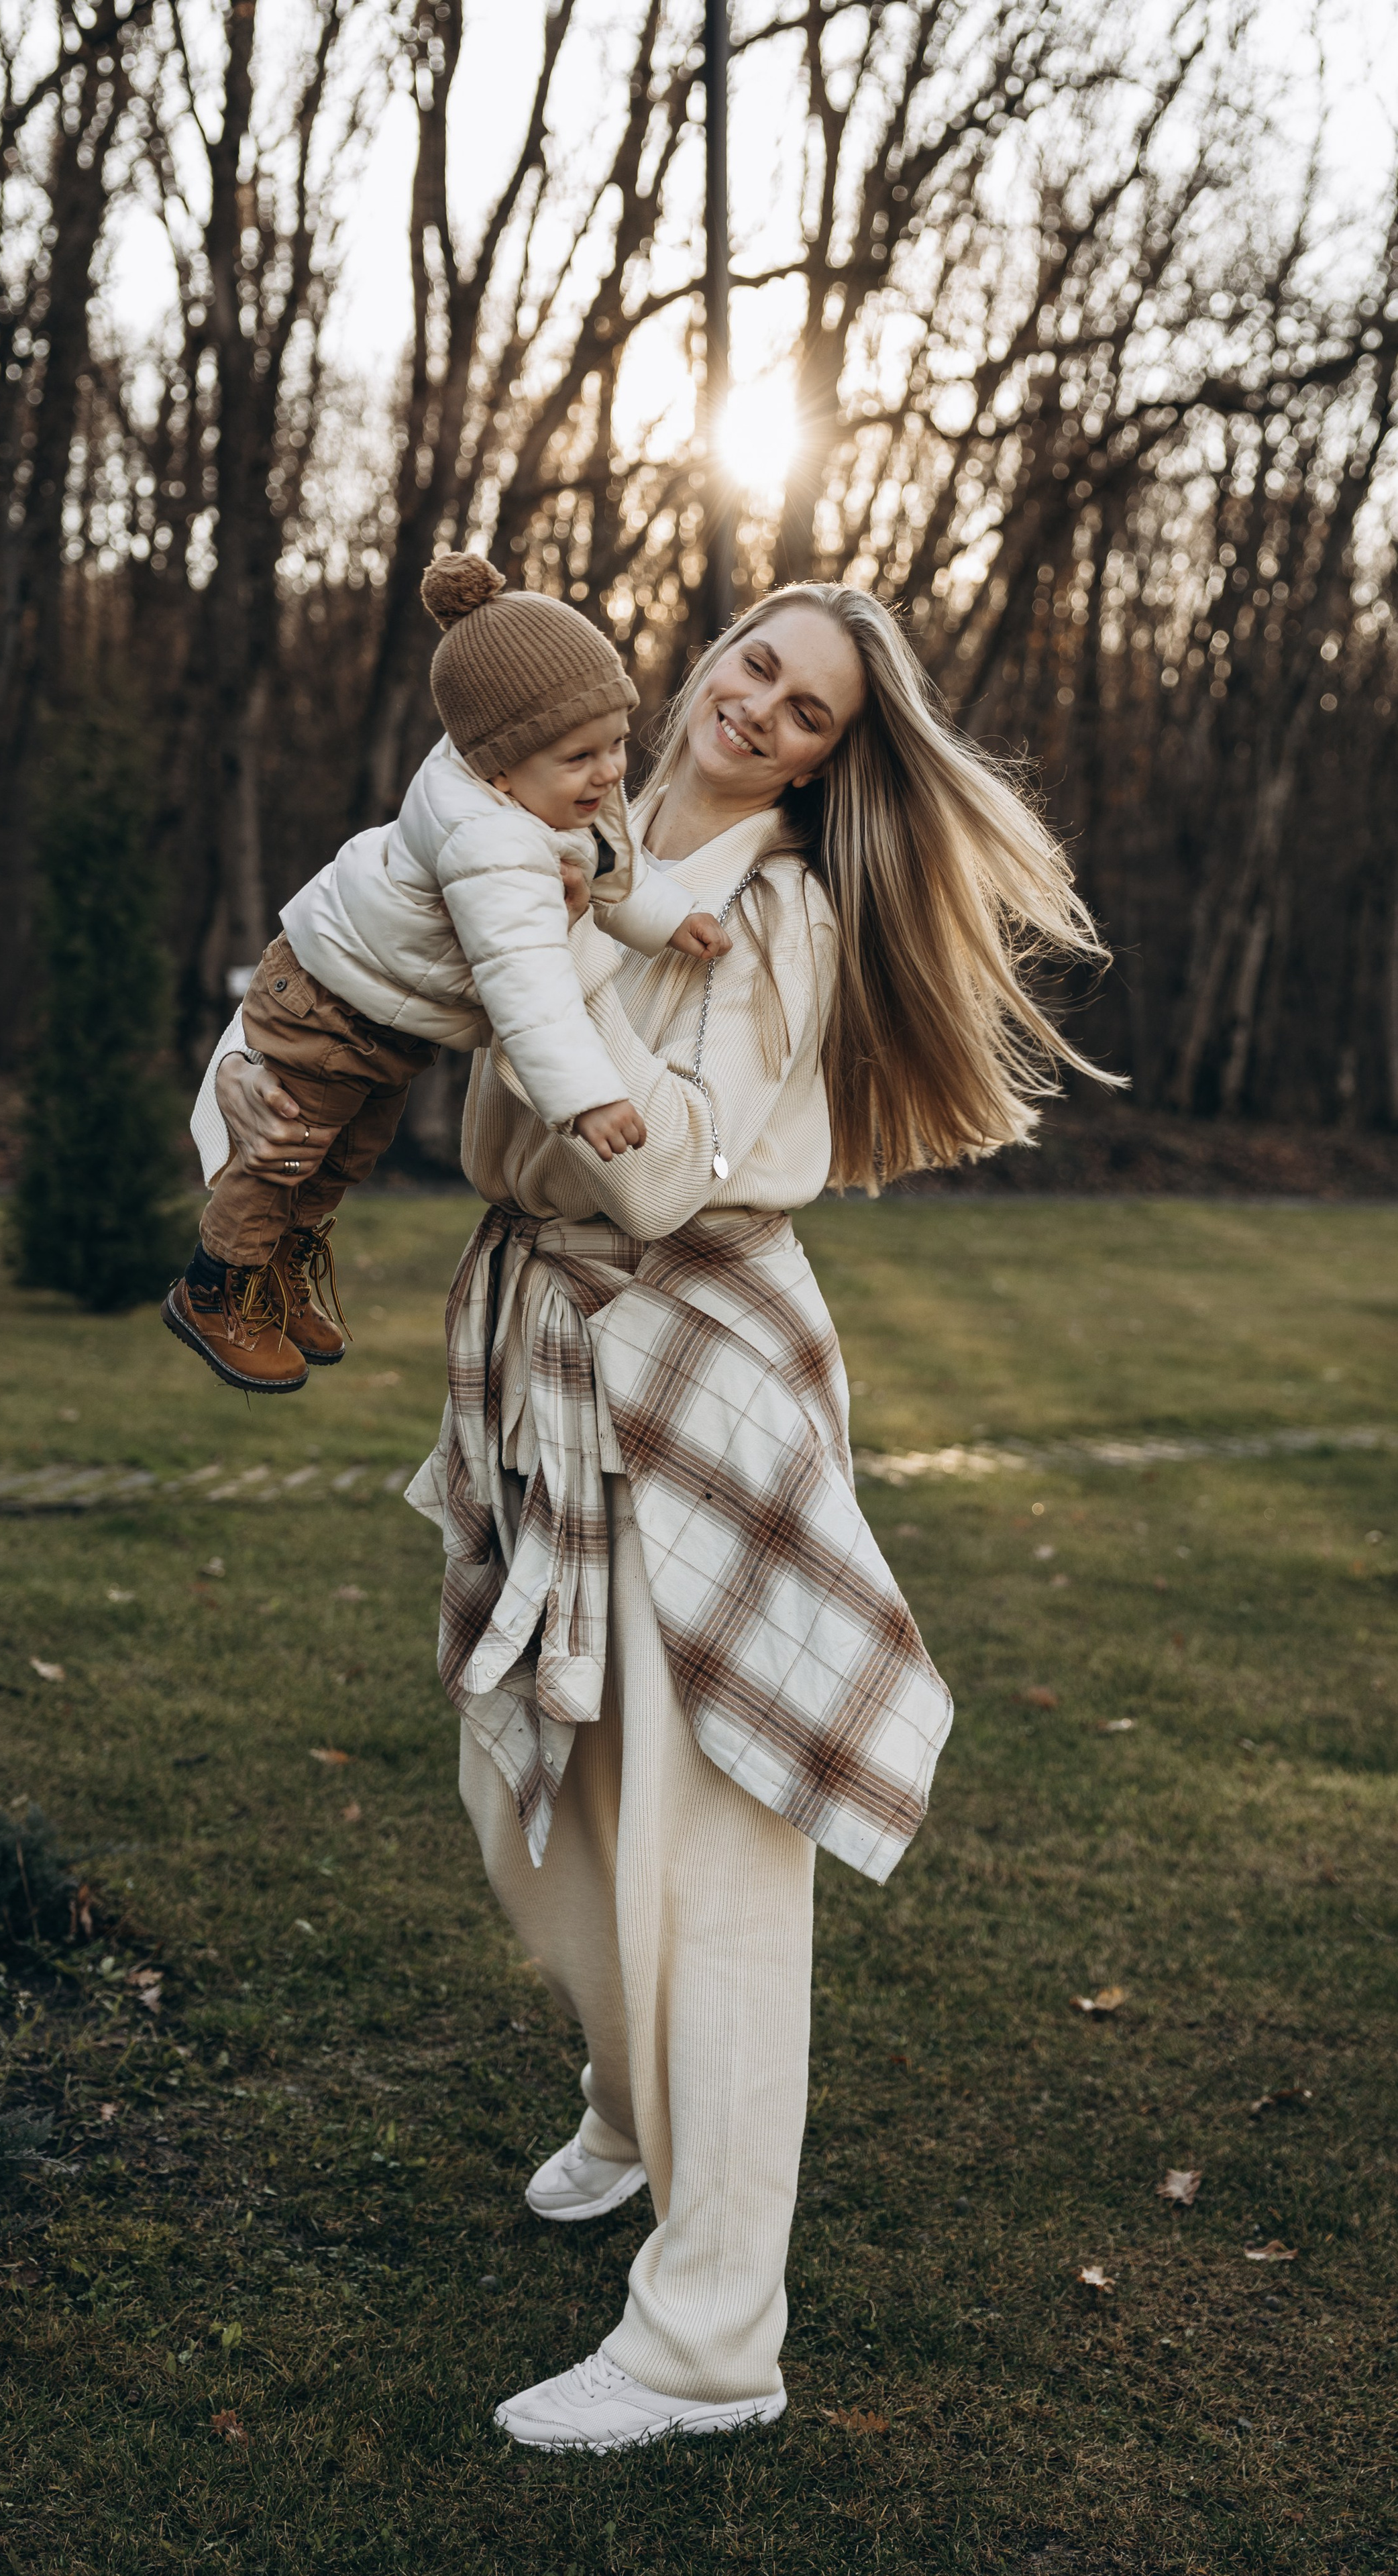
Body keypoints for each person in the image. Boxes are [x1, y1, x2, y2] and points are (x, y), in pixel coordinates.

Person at [209, 580, 1115, 2453]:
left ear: (834, 758)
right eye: (755, 664)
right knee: (522, 1787)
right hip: (536, 1337)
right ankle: (634, 2104)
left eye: (806, 714)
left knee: (713, 1854)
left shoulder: (777, 914)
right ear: (711, 656)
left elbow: (661, 1178)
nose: (760, 708)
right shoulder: (577, 821)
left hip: (696, 1349)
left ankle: (710, 2343)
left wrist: (576, 1011)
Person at [169, 553, 730, 1394]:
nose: (611, 771)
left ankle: (279, 1265)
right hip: (327, 1002)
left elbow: (613, 862)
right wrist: (586, 1095)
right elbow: (526, 986)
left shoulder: (555, 781)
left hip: (380, 1022)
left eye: (616, 743)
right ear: (499, 767)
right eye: (584, 756)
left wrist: (663, 916)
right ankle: (218, 1286)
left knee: (346, 1154)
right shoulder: (492, 844)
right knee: (289, 1149)